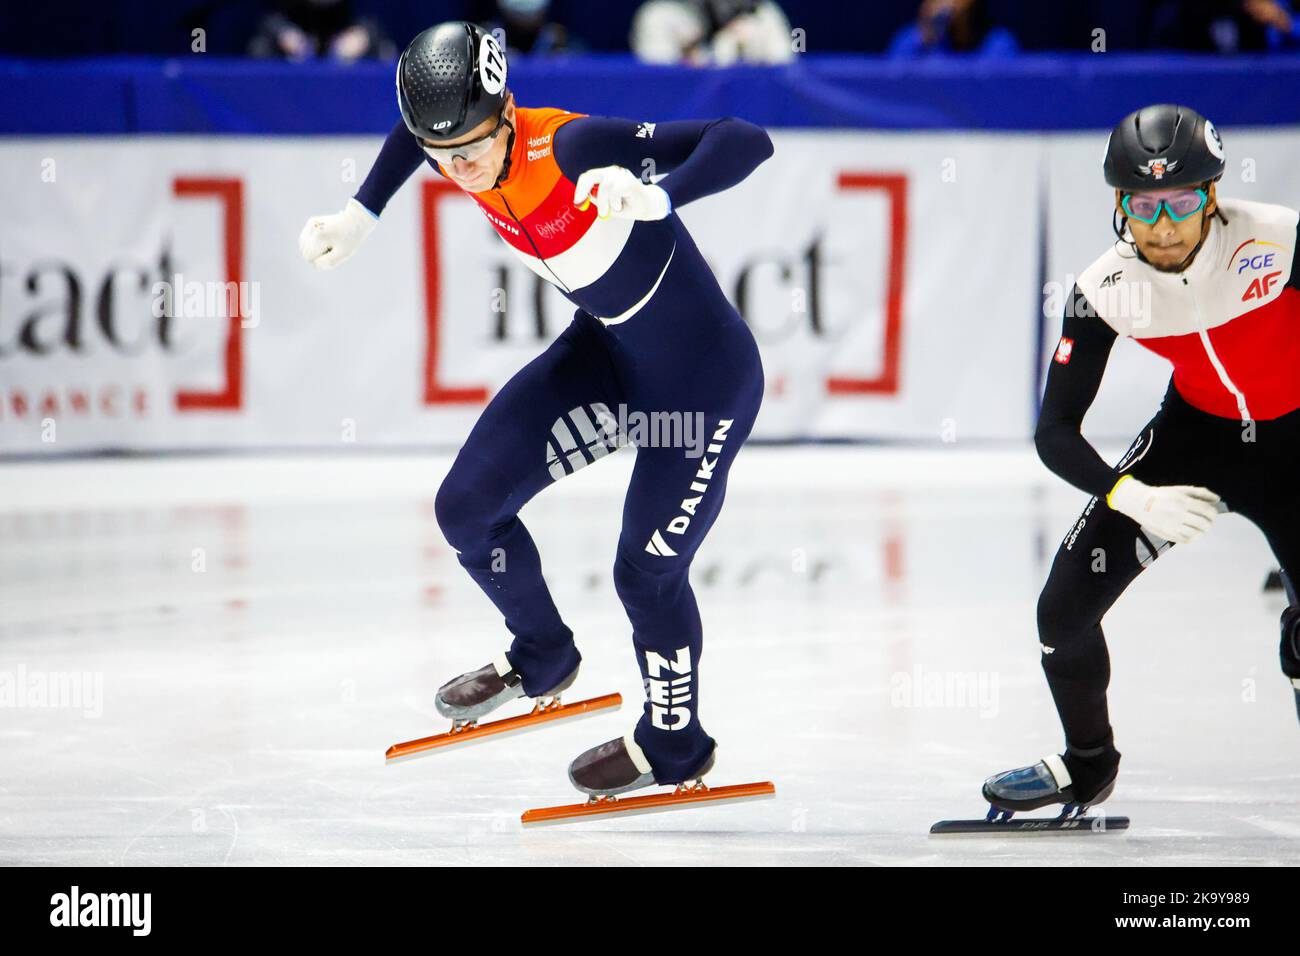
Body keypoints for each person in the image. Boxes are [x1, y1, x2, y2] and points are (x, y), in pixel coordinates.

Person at [299, 21, 771, 797]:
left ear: (508, 111)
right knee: (466, 510)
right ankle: (543, 652)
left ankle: (676, 743)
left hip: (702, 384)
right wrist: (362, 213)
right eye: (444, 157)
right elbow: (417, 135)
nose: (463, 169)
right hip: (610, 358)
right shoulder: (454, 137)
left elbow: (745, 139)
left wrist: (657, 195)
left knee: (646, 576)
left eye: (475, 149)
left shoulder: (574, 146)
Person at [984, 104, 1300, 816]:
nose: (1162, 223)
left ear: (1212, 198)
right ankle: (1088, 764)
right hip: (1195, 441)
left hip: (1294, 446)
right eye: (1143, 203)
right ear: (1120, 205)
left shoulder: (1279, 240)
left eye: (1182, 201)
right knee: (1061, 613)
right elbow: (1055, 431)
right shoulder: (1104, 289)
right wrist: (1132, 496)